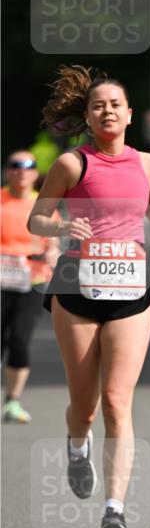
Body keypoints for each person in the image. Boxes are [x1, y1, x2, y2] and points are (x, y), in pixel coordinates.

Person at [28, 64, 150, 528]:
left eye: (115, 105)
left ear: (129, 114)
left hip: (130, 284)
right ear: (87, 116)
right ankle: (76, 444)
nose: (107, 112)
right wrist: (62, 227)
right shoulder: (71, 165)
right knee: (84, 405)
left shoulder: (147, 163)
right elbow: (37, 218)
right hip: (76, 286)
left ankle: (114, 510)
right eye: (98, 105)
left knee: (117, 400)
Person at [1, 151, 60, 423]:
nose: (22, 171)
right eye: (16, 165)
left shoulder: (44, 206)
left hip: (32, 283)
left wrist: (52, 254)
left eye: (28, 166)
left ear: (35, 173)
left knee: (20, 340)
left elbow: (54, 244)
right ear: (7, 171)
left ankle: (12, 402)